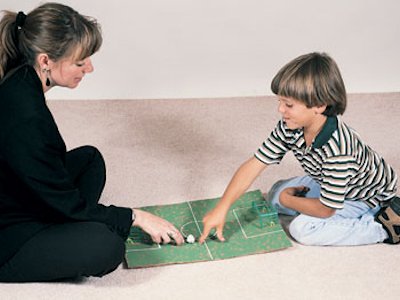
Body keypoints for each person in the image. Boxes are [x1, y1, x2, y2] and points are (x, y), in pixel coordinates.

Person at [0, 2, 183, 283]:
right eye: (80, 61)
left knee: (90, 160)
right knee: (107, 246)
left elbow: (42, 173)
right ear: (45, 61)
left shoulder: (21, 76)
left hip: (18, 193)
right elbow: (66, 201)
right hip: (8, 236)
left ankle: (61, 230)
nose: (90, 68)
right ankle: (54, 235)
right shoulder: (26, 115)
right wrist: (134, 216)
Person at [199, 52, 400, 246]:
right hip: (328, 180)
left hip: (364, 196)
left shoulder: (339, 150)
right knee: (276, 193)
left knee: (303, 228)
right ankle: (303, 202)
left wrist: (290, 200)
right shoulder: (290, 126)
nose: (280, 110)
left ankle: (382, 227)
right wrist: (222, 208)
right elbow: (255, 164)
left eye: (288, 104)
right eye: (280, 102)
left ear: (319, 105)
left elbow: (325, 209)